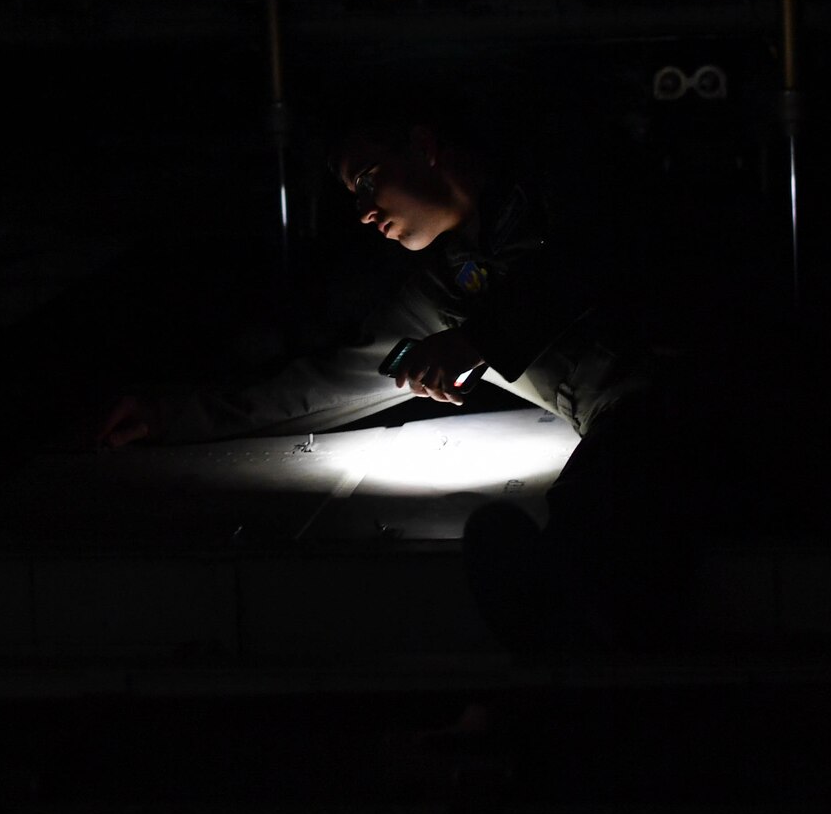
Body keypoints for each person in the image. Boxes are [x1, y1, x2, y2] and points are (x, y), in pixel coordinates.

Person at [97, 113, 719, 652]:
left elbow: (584, 264)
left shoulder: (566, 194)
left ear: (424, 146)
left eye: (368, 177)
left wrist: (479, 340)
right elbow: (337, 378)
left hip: (695, 403)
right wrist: (171, 416)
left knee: (601, 513)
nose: (366, 211)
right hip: (621, 430)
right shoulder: (447, 286)